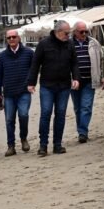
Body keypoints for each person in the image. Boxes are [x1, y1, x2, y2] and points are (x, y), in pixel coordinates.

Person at [27, 20, 80, 156]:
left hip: (64, 85)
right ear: (57, 32)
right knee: (46, 113)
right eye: (66, 33)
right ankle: (43, 145)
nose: (68, 35)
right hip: (47, 85)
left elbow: (74, 63)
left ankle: (57, 144)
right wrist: (31, 82)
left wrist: (76, 78)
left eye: (69, 33)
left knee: (61, 114)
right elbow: (35, 64)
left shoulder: (70, 44)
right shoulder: (44, 44)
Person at [0, 29, 34, 157]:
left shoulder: (28, 53)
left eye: (13, 37)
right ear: (6, 40)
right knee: (9, 120)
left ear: (19, 38)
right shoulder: (2, 56)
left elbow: (34, 70)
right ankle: (11, 146)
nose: (11, 39)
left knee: (23, 115)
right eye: (9, 38)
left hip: (24, 91)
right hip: (9, 93)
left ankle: (23, 139)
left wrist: (32, 84)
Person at [70, 21, 103, 143]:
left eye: (86, 31)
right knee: (78, 108)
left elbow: (101, 59)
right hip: (74, 81)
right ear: (75, 32)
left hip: (90, 80)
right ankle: (81, 131)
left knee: (86, 107)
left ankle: (83, 132)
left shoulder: (93, 43)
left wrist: (103, 76)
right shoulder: (68, 44)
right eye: (81, 31)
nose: (84, 34)